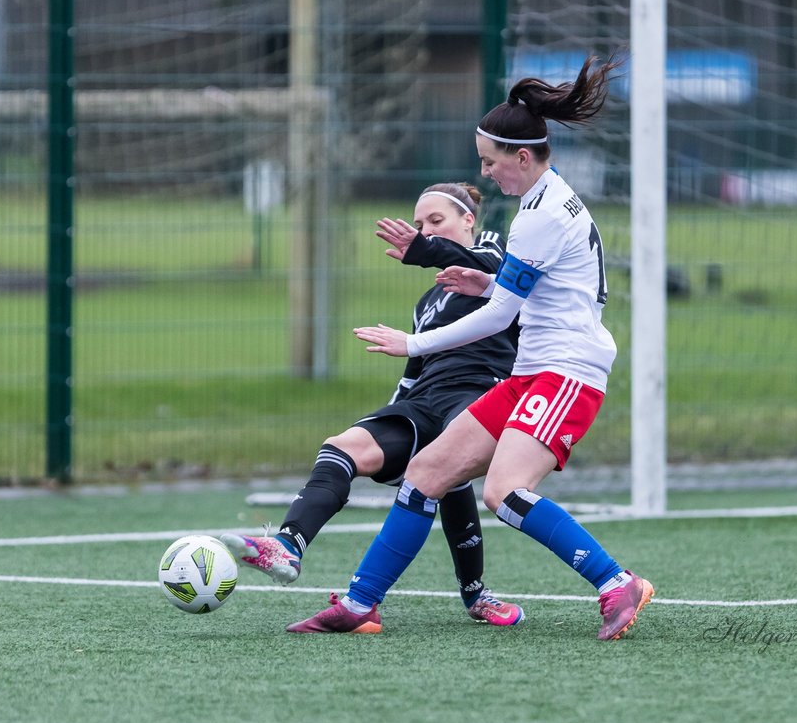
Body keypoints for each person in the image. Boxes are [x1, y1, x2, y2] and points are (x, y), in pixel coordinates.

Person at [287, 54, 655, 640]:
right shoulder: (542, 203)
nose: (486, 176)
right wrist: (486, 280)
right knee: (426, 471)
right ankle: (359, 605)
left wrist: (411, 341)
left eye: (491, 163)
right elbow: (524, 293)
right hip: (533, 370)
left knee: (504, 494)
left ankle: (617, 583)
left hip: (567, 372)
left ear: (524, 157)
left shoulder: (540, 217)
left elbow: (498, 318)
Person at [221, 181, 525, 627]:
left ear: (468, 220)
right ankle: (287, 545)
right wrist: (384, 427)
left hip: (481, 390)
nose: (426, 231)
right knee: (343, 446)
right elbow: (413, 371)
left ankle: (476, 594)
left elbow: (488, 266)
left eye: (436, 222)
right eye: (420, 224)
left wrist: (427, 248)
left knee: (447, 464)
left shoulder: (495, 254)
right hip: (424, 400)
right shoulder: (428, 301)